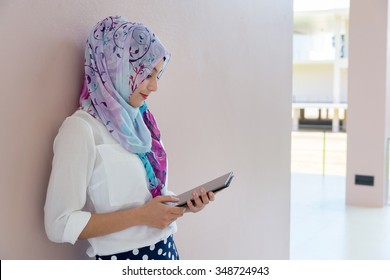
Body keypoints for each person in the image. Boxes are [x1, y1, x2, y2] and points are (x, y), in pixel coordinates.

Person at [44, 15, 215, 260]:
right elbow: (58, 224)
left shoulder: (143, 123)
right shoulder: (81, 129)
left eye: (158, 75)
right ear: (115, 66)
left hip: (168, 252)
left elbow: (149, 197)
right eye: (146, 74)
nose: (154, 86)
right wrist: (141, 216)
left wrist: (182, 205)